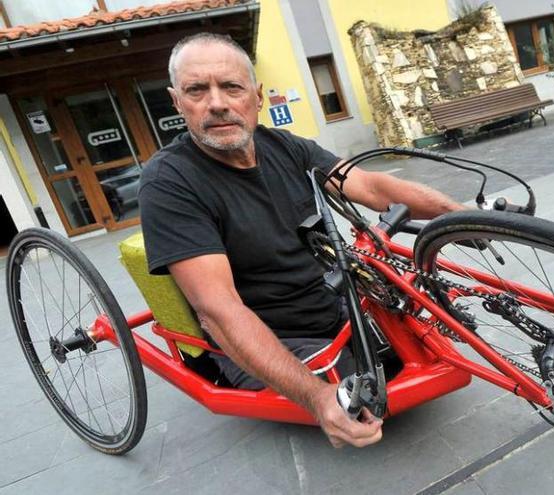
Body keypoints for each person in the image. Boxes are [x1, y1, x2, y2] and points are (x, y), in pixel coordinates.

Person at [138, 33, 465, 448]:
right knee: (365, 404)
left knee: (432, 331)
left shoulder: (283, 146)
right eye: (197, 90)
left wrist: (458, 215)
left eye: (231, 87)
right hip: (276, 334)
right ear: (177, 101)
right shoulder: (169, 182)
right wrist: (316, 397)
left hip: (335, 301)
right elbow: (218, 310)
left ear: (256, 97)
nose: (217, 102)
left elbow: (370, 186)